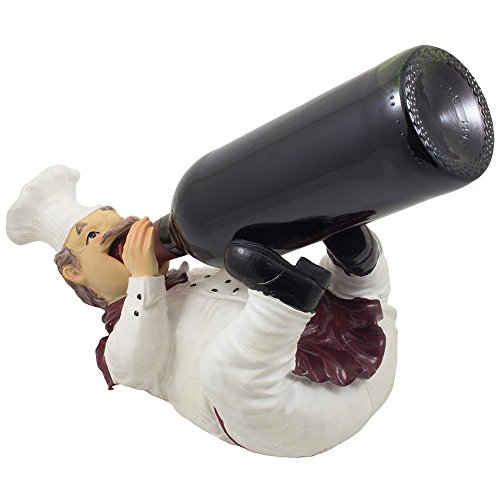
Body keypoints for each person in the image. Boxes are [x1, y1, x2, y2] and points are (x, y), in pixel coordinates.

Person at [7, 165, 397, 457]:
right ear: (74, 273)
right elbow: (138, 362)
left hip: (362, 350)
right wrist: (144, 278)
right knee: (224, 374)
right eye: (94, 237)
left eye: (121, 227)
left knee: (352, 295)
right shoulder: (117, 348)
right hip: (292, 412)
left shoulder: (197, 271)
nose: (120, 235)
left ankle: (354, 262)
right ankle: (286, 298)